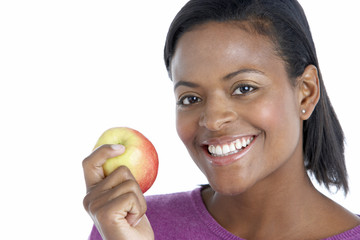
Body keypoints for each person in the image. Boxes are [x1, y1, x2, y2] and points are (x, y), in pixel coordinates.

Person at [82, 0, 360, 239]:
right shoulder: (127, 226)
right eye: (190, 98)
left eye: (244, 88)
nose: (213, 120)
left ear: (306, 93)